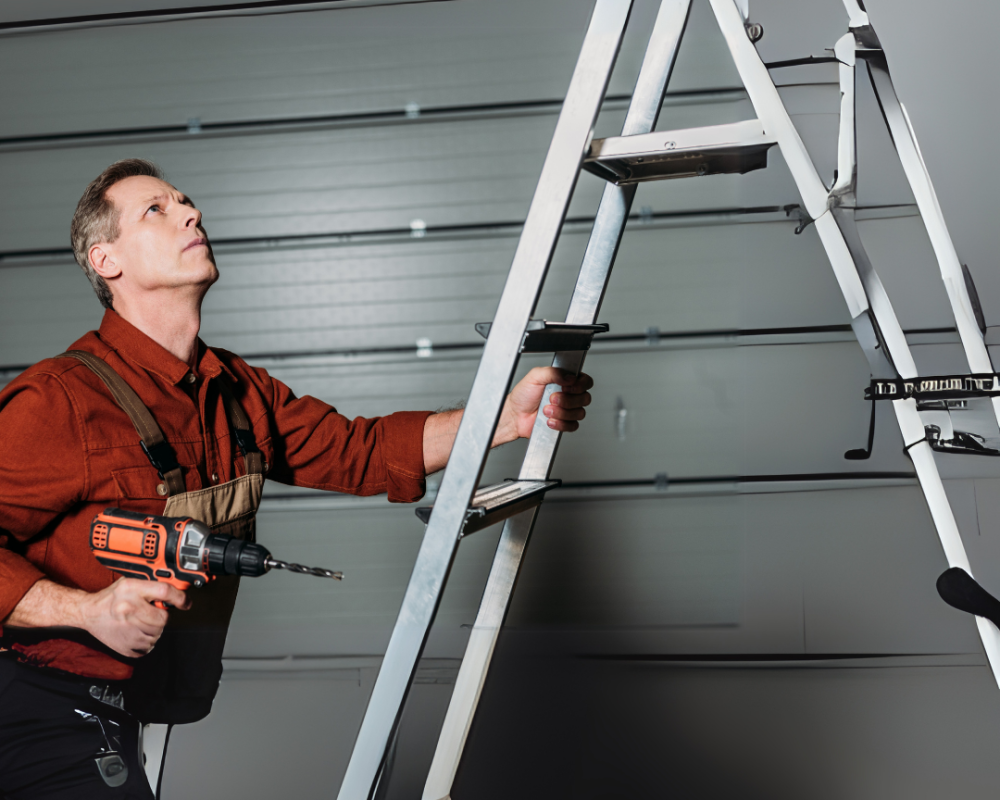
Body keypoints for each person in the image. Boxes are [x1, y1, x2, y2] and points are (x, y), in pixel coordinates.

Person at [0, 159, 594, 799]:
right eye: (157, 210)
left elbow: (361, 450)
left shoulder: (235, 392)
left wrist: (501, 417)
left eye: (186, 201)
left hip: (127, 703)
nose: (191, 213)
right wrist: (85, 609)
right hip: (33, 699)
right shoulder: (60, 400)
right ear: (106, 261)